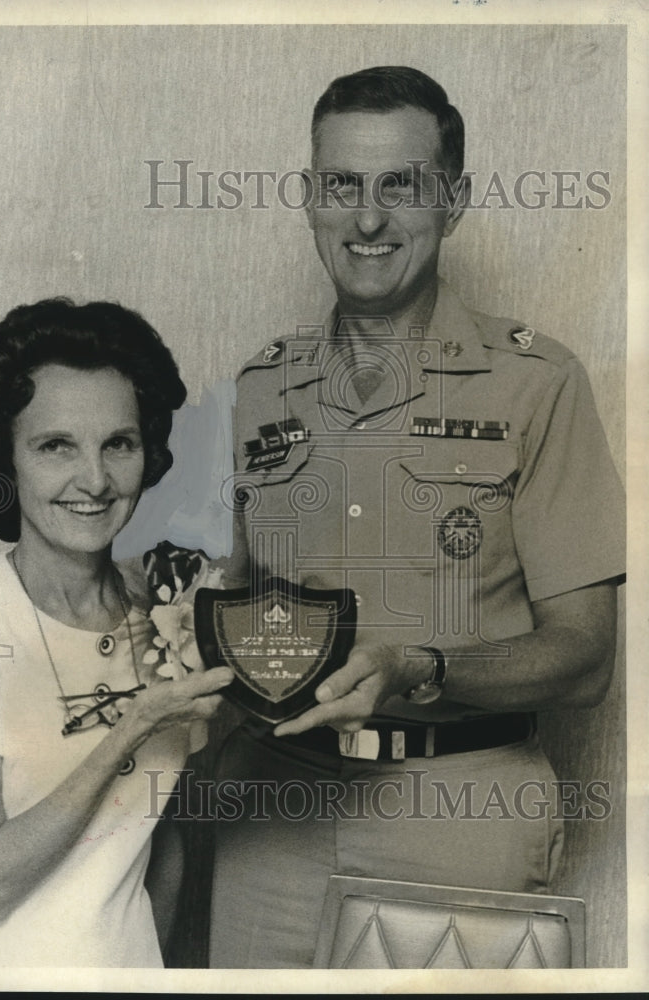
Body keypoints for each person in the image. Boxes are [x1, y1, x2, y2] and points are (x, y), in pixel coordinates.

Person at [208, 66, 625, 968]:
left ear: (455, 198)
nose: (367, 219)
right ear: (310, 198)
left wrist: (418, 666)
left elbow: (587, 656)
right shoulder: (257, 389)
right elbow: (222, 608)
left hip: (461, 810)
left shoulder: (538, 384)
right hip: (272, 817)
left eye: (400, 185)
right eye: (342, 186)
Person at [0, 298, 233, 968]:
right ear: (5, 458)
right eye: (56, 447)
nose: (96, 480)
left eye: (119, 444)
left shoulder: (170, 616)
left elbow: (154, 847)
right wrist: (133, 727)